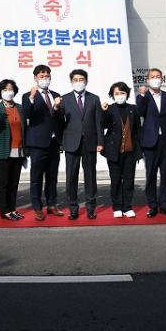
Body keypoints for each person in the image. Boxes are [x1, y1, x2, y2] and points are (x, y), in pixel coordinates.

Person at [22, 64, 64, 221]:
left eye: (47, 76)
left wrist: (57, 108)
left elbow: (60, 120)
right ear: (35, 78)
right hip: (37, 143)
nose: (45, 79)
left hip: (54, 142)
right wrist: (32, 98)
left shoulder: (56, 95)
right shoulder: (28, 96)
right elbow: (27, 114)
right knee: (37, 177)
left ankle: (52, 204)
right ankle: (37, 207)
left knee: (52, 176)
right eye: (42, 76)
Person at [61, 69, 104, 220]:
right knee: (71, 177)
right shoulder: (64, 99)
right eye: (76, 80)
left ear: (86, 81)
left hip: (90, 142)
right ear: (71, 82)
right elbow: (59, 122)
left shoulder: (94, 98)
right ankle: (73, 208)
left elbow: (98, 123)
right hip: (71, 143)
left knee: (90, 176)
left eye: (81, 79)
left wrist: (100, 141)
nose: (79, 82)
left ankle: (91, 207)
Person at [136, 68, 166, 218]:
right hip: (150, 141)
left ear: (162, 79)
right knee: (151, 175)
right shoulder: (143, 97)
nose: (155, 79)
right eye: (152, 77)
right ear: (148, 81)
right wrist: (142, 96)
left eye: (158, 76)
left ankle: (164, 204)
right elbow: (140, 112)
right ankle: (153, 205)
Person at [101, 82, 141, 218]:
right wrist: (103, 111)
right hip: (114, 151)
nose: (120, 96)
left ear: (127, 94)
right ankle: (117, 207)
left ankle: (127, 207)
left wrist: (139, 150)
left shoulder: (133, 109)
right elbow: (104, 125)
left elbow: (138, 130)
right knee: (116, 180)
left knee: (129, 180)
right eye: (116, 93)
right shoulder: (110, 109)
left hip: (130, 151)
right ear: (112, 95)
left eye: (122, 93)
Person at [0, 79, 26, 221]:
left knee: (14, 183)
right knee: (4, 183)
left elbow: (24, 128)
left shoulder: (20, 108)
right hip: (4, 149)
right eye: (4, 90)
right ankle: (5, 211)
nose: (8, 92)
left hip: (19, 149)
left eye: (10, 89)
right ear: (0, 92)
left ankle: (12, 209)